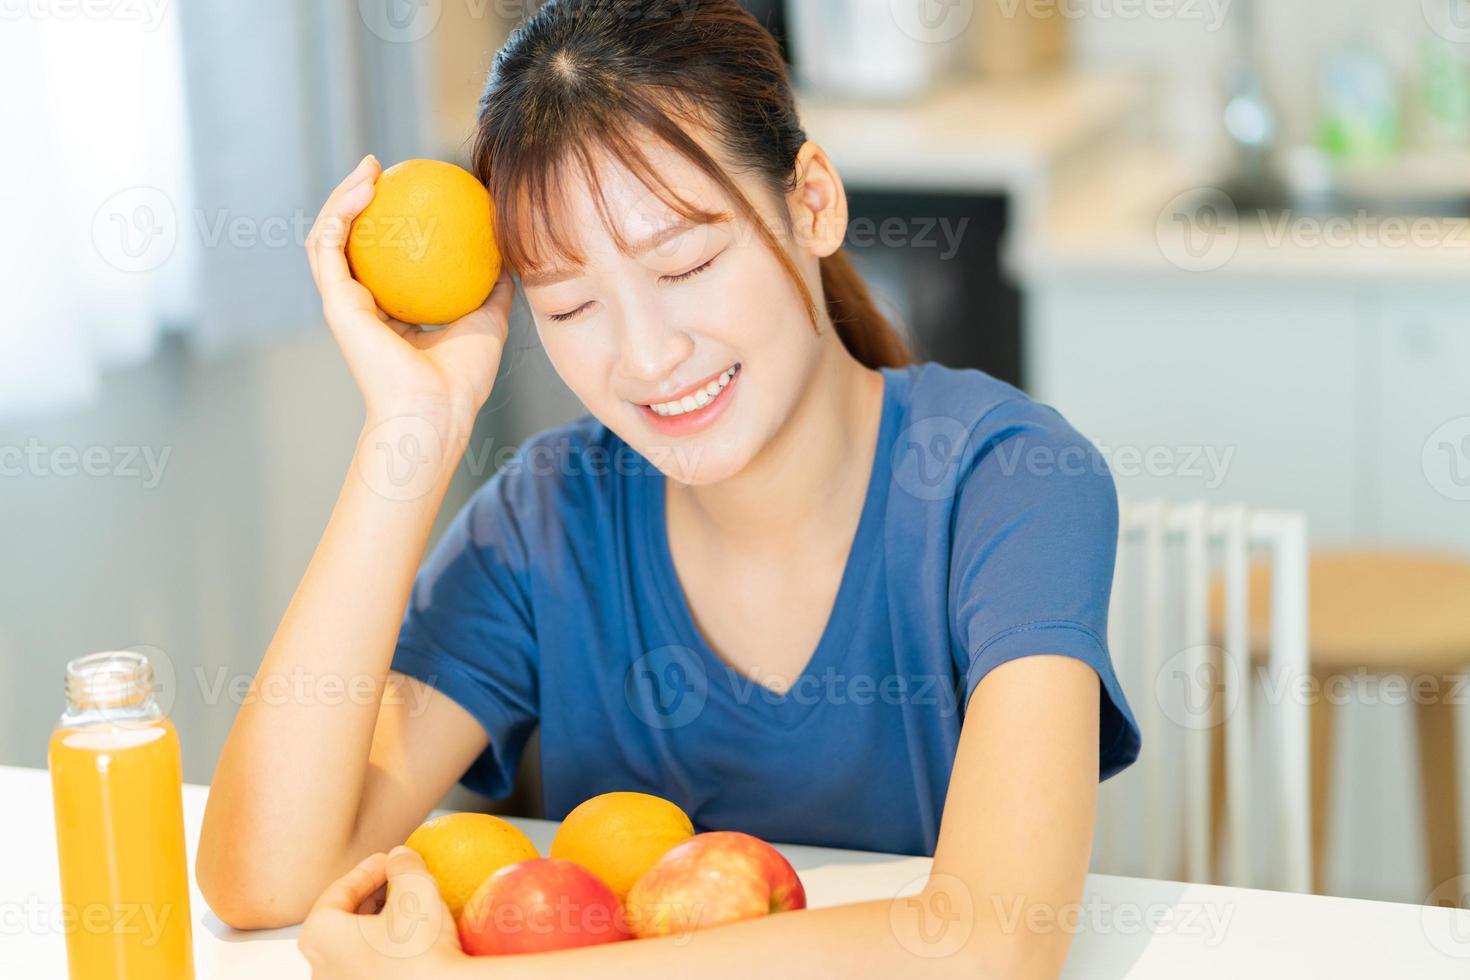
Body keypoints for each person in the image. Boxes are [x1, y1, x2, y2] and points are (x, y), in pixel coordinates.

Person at [197, 2, 1139, 976]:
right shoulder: (545, 523)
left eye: (686, 263)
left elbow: (995, 938)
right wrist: (410, 434)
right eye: (572, 304)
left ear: (812, 201)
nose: (648, 356)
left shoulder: (1011, 482)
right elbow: (263, 878)